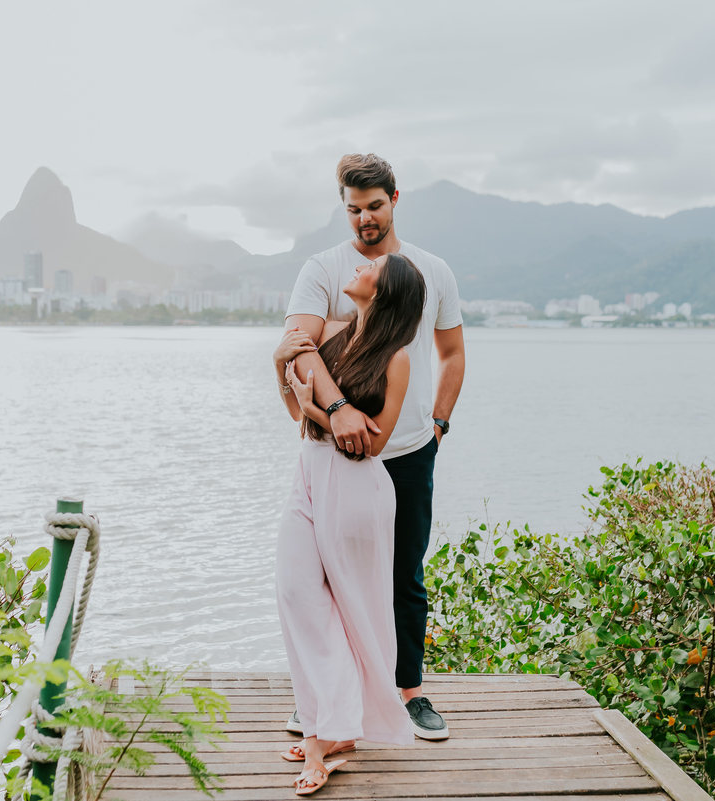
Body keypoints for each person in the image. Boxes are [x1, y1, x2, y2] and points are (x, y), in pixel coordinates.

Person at [279, 153, 466, 743]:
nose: (364, 219)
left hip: (408, 451)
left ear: (394, 199)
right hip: (336, 457)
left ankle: (408, 693)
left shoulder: (431, 270)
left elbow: (452, 353)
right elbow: (297, 343)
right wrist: (339, 412)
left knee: (404, 574)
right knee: (322, 578)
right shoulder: (324, 268)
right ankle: (323, 697)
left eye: (374, 206)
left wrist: (437, 426)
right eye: (354, 209)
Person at [273, 252, 425, 795]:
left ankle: (322, 739)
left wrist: (321, 408)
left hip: (358, 487)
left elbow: (374, 441)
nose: (362, 266)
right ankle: (334, 727)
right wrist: (299, 390)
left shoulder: (398, 356)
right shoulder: (333, 334)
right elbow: (299, 412)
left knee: (354, 610)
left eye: (374, 268)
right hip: (309, 472)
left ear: (384, 292)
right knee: (296, 593)